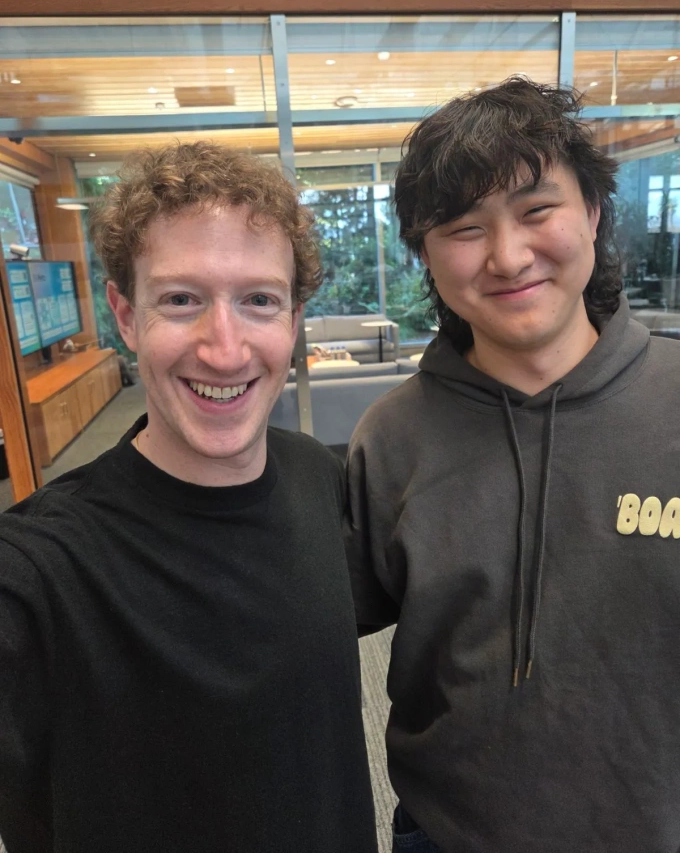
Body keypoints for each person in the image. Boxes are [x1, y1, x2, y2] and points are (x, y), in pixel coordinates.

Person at [0, 142, 378, 853]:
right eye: (181, 300)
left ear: (293, 320)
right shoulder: (40, 567)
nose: (225, 349)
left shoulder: (314, 475)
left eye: (258, 300)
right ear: (125, 315)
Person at [345, 78, 680, 853]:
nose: (507, 255)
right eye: (464, 227)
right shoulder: (391, 439)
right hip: (449, 836)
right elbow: (301, 632)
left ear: (592, 213)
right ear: (425, 255)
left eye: (536, 211)